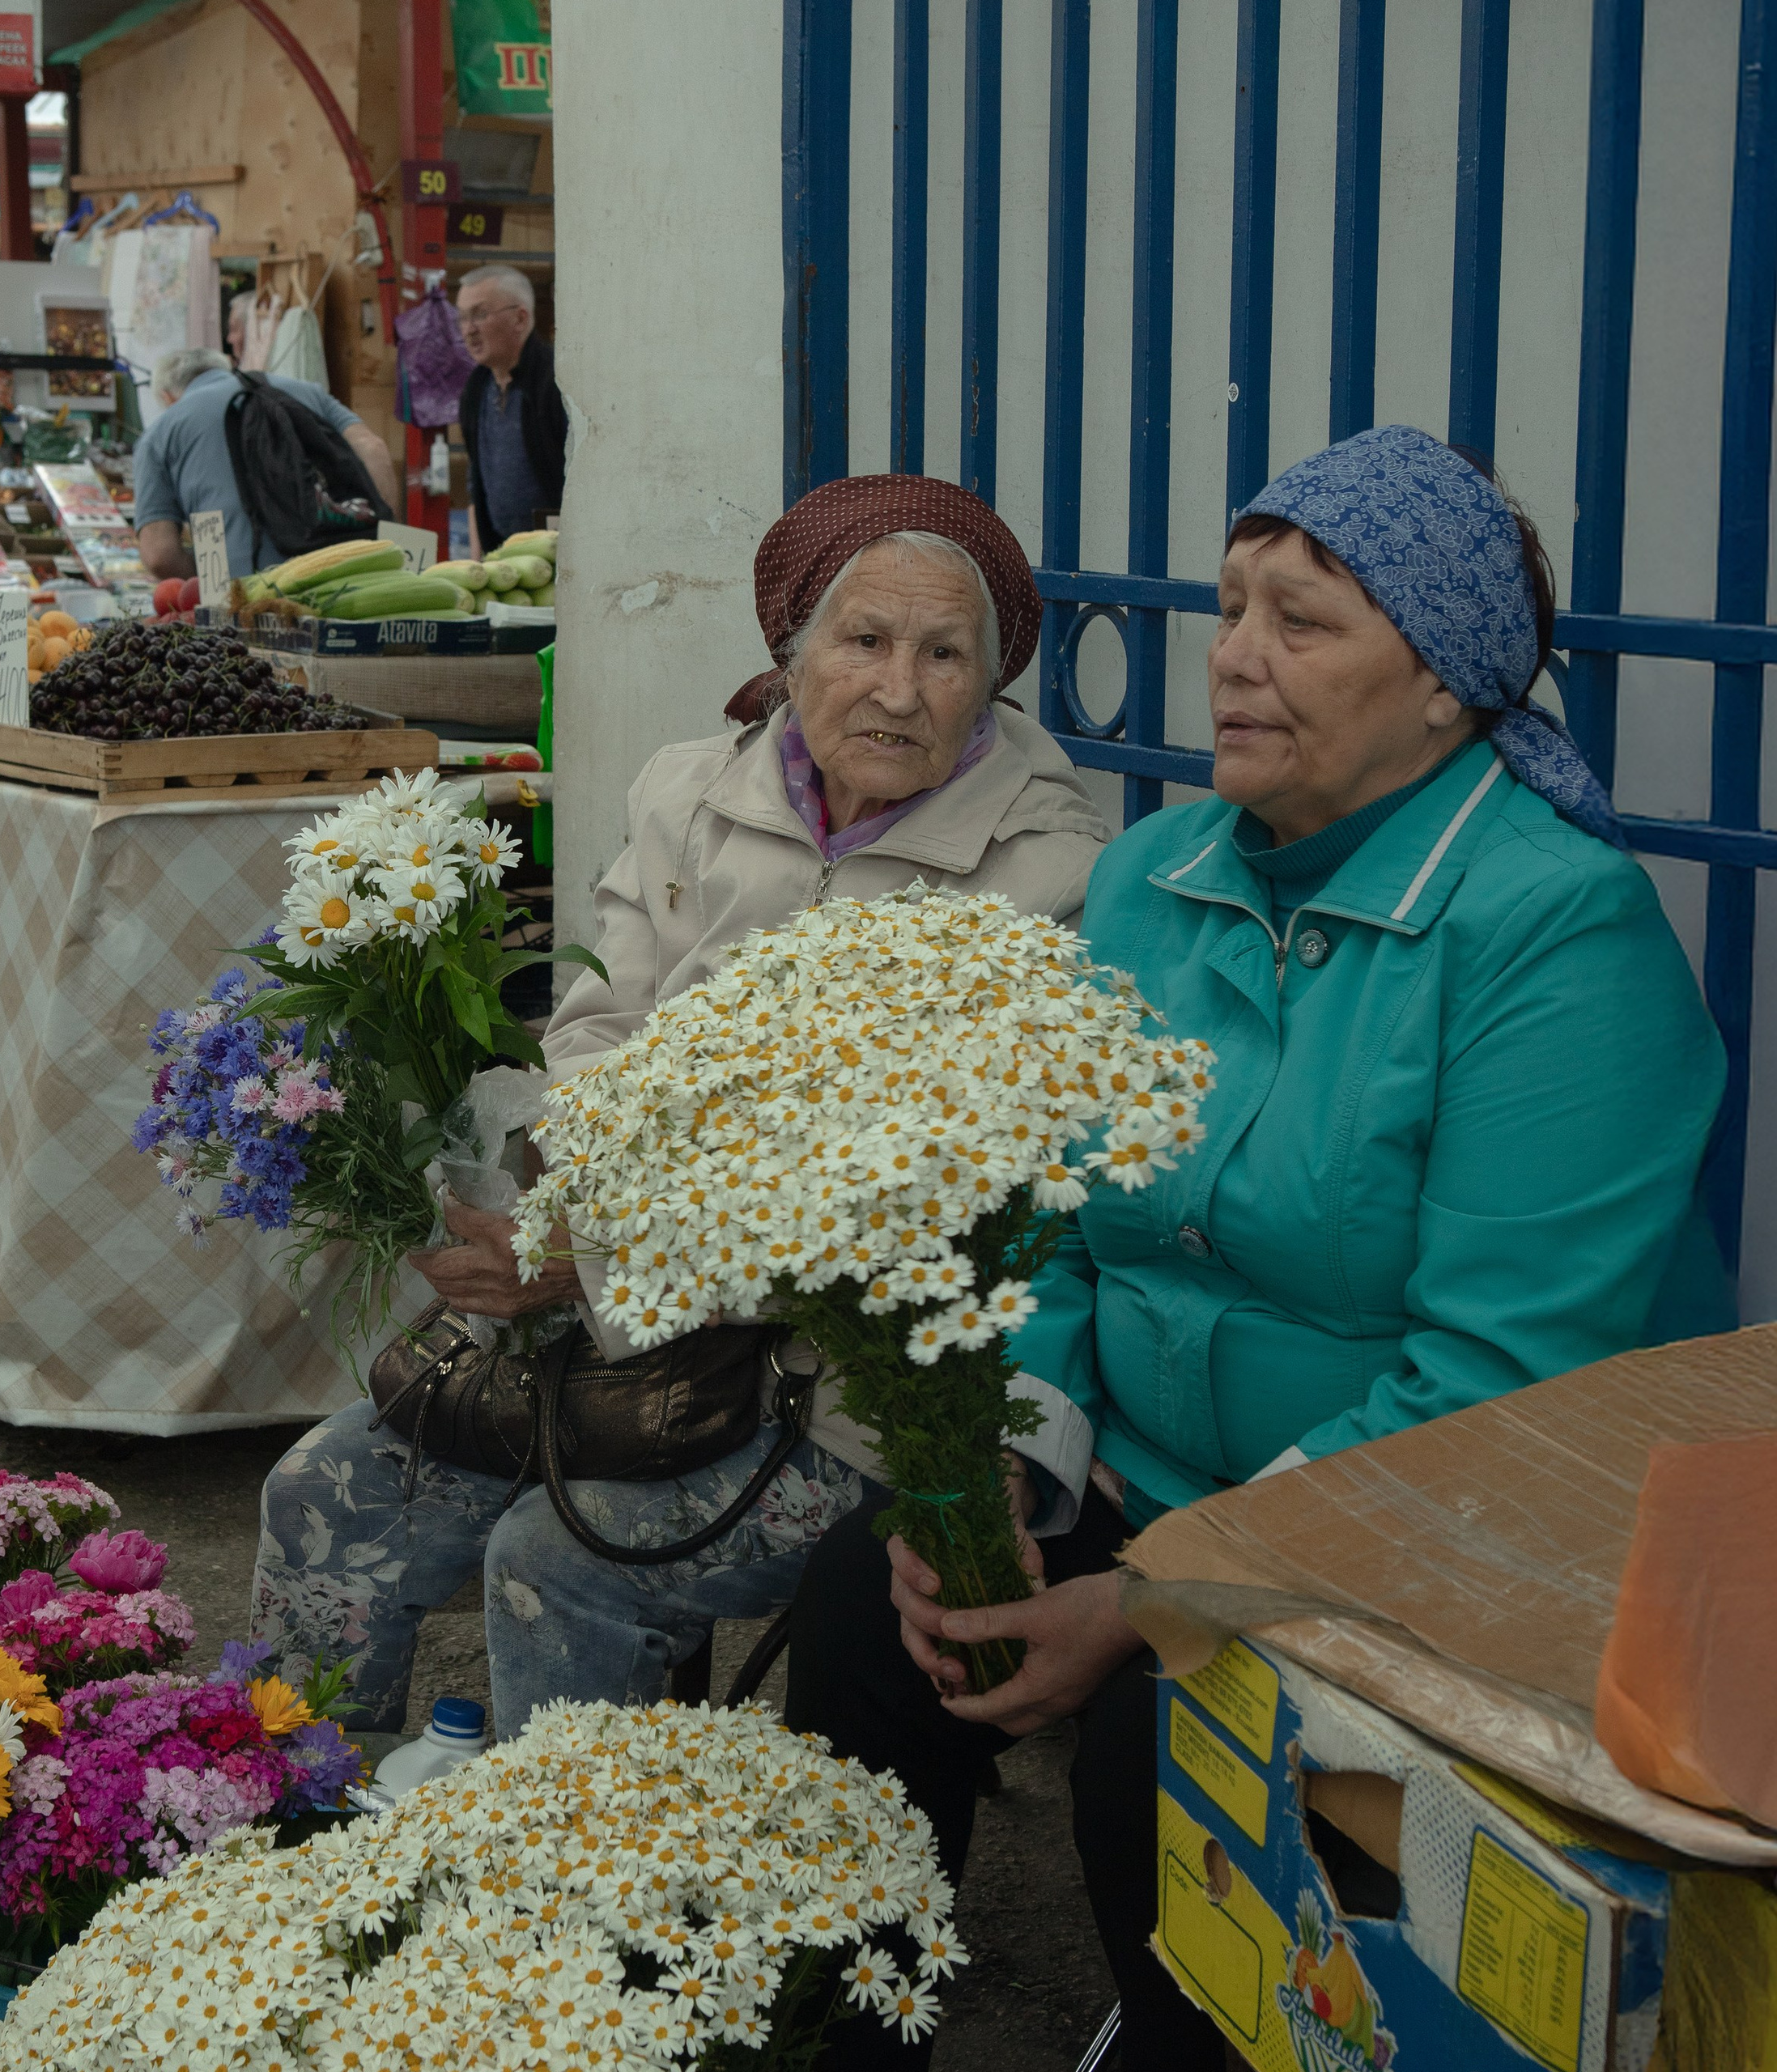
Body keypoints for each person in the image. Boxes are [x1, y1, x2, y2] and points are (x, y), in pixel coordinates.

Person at [783, 426, 1732, 2070]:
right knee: (872, 1617)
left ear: (1441, 684)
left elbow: (1493, 1382)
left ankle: (1183, 2028)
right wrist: (998, 1480)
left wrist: (1154, 1600)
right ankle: (845, 2029)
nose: (1231, 657)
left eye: (1300, 622)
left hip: (1440, 1540)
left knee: (1159, 1730)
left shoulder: (1550, 931)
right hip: (1152, 1478)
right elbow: (1065, 1238)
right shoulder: (1157, 876)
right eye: (1228, 610)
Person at [250, 474, 1111, 1739]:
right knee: (324, 1495)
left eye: (945, 655)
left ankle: (596, 1912)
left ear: (991, 681)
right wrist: (538, 1197)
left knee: (560, 1564)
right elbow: (601, 1033)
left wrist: (594, 1258)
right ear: (791, 648)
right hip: (618, 1337)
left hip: (846, 1378)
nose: (898, 688)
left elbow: (894, 1195)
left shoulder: (1046, 879)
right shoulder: (691, 791)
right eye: (863, 641)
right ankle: (313, 1835)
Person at [132, 346, 402, 580]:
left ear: (167, 397)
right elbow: (372, 448)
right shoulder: (306, 392)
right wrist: (386, 539)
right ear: (228, 366)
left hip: (246, 596)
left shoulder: (160, 433)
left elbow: (159, 554)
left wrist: (211, 578)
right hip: (339, 569)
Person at [457, 265, 568, 553]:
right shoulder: (476, 389)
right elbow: (476, 484)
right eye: (462, 318)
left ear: (520, 318)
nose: (469, 330)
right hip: (502, 557)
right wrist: (477, 561)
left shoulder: (558, 383)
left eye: (480, 314)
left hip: (560, 553)